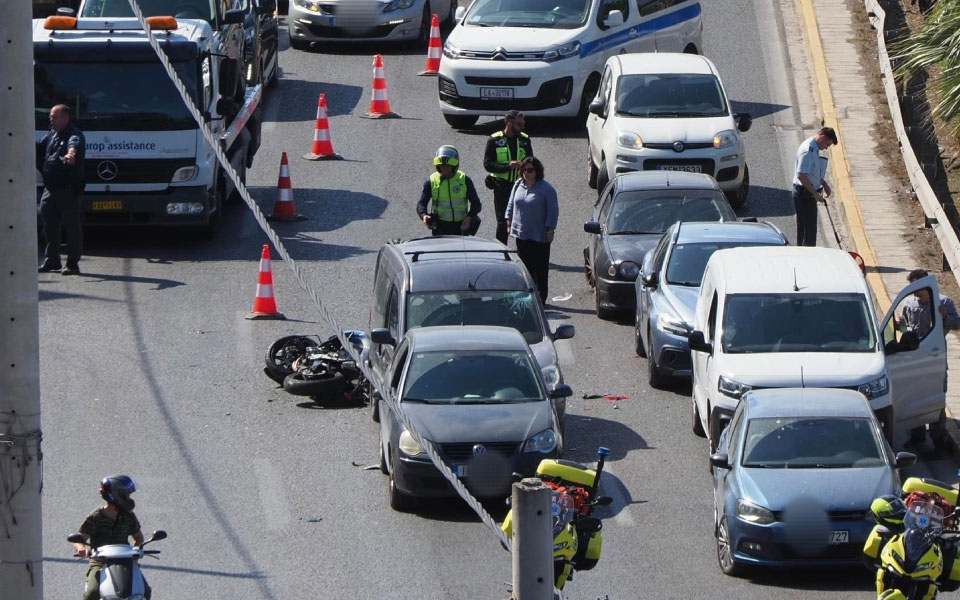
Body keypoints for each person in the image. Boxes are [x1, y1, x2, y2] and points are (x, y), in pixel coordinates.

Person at [898, 269, 960, 446]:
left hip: (935, 356)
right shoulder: (909, 304)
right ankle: (917, 434)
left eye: (916, 286)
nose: (914, 291)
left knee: (935, 395)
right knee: (913, 394)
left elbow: (957, 324)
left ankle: (938, 435)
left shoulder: (944, 302)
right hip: (914, 356)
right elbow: (906, 326)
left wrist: (945, 316)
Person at [72, 475, 151, 600]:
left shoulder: (128, 516)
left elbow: (138, 538)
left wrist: (136, 553)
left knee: (145, 591)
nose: (129, 499)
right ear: (116, 495)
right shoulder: (95, 517)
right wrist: (81, 548)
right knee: (92, 593)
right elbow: (79, 539)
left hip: (126, 561)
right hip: (100, 562)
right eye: (127, 495)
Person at [37, 104, 86, 275]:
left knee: (72, 227)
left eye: (54, 117)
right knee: (49, 224)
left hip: (67, 188)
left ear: (65, 118)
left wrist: (70, 154)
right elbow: (38, 146)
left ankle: (72, 263)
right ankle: (52, 261)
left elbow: (74, 145)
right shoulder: (52, 134)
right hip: (50, 188)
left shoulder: (74, 134)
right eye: (51, 116)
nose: (51, 119)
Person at [506, 156, 558, 305]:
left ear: (537, 171)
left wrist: (550, 229)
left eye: (530, 170)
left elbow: (553, 211)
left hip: (539, 235)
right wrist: (509, 221)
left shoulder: (546, 189)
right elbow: (511, 204)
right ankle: (528, 298)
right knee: (525, 269)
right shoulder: (518, 185)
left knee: (539, 270)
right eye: (523, 170)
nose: (526, 173)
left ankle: (541, 300)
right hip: (522, 234)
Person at [484, 110, 534, 245]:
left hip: (520, 186)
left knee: (522, 219)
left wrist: (524, 166)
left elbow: (531, 160)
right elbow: (488, 164)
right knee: (502, 221)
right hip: (501, 186)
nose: (522, 127)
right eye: (519, 124)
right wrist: (508, 167)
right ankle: (501, 250)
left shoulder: (524, 139)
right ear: (509, 123)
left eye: (523, 124)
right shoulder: (494, 140)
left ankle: (523, 251)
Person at [417, 145, 482, 237]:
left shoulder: (464, 180)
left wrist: (469, 217)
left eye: (448, 166)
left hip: (461, 227)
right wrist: (424, 215)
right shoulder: (431, 181)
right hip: (440, 228)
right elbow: (421, 203)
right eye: (442, 166)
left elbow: (476, 204)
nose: (445, 169)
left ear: (454, 166)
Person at [792, 126, 837, 247]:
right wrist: (815, 193)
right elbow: (801, 175)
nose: (826, 148)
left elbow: (812, 171)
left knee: (810, 229)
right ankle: (805, 258)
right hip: (804, 194)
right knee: (807, 231)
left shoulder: (814, 148)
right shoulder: (808, 150)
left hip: (808, 192)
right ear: (823, 138)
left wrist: (823, 183)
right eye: (827, 144)